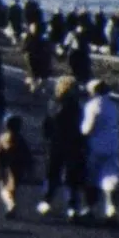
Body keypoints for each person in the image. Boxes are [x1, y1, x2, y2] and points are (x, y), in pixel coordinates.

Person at [36, 76, 86, 221]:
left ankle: (46, 201)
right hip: (73, 143)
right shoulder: (77, 106)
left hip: (55, 143)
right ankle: (72, 207)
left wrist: (47, 138)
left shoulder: (54, 103)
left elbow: (47, 124)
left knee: (52, 173)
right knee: (72, 176)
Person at [81, 79, 119, 221]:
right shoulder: (113, 106)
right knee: (110, 177)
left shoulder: (92, 106)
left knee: (92, 178)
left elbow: (87, 129)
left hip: (95, 146)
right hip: (112, 145)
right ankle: (111, 207)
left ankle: (90, 208)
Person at [0, 116, 33, 219]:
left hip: (6, 168)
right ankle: (11, 206)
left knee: (4, 189)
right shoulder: (21, 140)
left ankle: (11, 206)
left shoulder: (4, 138)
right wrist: (30, 168)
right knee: (11, 189)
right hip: (18, 168)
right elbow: (28, 156)